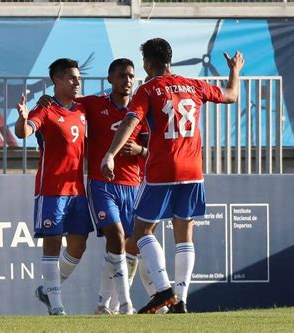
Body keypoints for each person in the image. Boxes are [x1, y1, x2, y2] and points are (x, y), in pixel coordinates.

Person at [101, 38, 244, 314]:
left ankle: (163, 288)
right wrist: (235, 69)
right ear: (170, 59)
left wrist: (110, 154)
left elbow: (131, 121)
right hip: (193, 170)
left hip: (163, 169)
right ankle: (181, 300)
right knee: (184, 234)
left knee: (142, 230)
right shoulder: (194, 85)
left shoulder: (150, 89)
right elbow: (231, 95)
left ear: (148, 63)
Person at [38, 59, 150, 315]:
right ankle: (125, 304)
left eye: (131, 76)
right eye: (122, 76)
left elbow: (154, 150)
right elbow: (64, 106)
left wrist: (141, 150)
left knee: (126, 246)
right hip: (102, 185)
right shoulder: (93, 104)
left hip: (133, 184)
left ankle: (100, 303)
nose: (128, 81)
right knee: (117, 237)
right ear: (110, 79)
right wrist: (46, 99)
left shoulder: (141, 110)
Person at [15, 58, 94, 316]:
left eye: (78, 78)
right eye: (72, 78)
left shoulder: (83, 109)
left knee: (78, 245)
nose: (77, 82)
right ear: (57, 81)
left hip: (77, 191)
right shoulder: (46, 109)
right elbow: (24, 132)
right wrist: (23, 119)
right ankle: (57, 306)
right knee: (52, 245)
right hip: (51, 189)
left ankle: (48, 289)